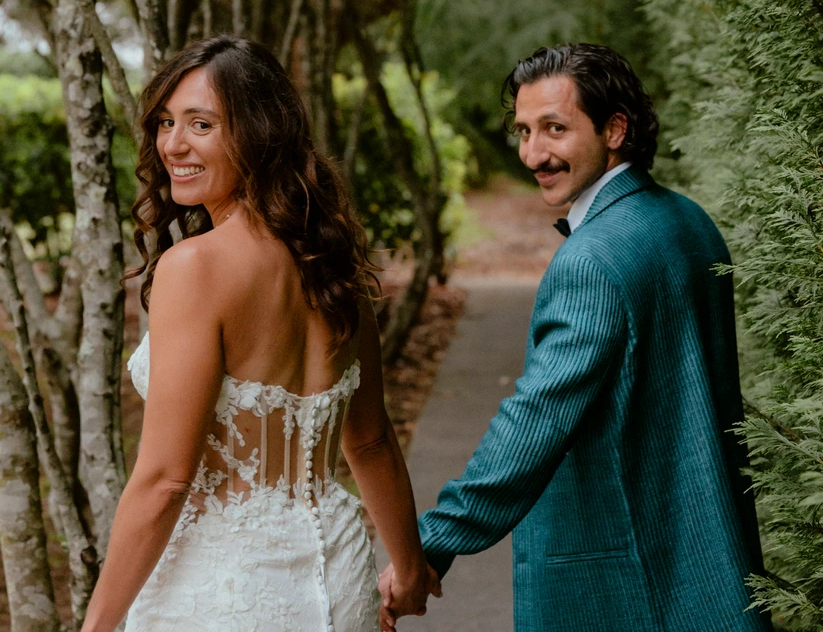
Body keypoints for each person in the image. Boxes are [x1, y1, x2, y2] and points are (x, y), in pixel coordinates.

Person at [380, 43, 770, 632]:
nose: (533, 153)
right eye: (523, 131)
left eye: (555, 129)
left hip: (625, 587)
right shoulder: (690, 222)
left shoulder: (591, 260)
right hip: (710, 568)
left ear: (614, 130)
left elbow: (536, 419)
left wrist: (432, 544)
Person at [80, 35, 437, 632]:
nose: (173, 144)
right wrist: (408, 570)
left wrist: (94, 627)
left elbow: (165, 481)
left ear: (259, 134)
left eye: (201, 124)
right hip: (339, 574)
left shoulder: (194, 268)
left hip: (226, 592)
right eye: (166, 122)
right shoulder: (332, 263)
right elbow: (371, 441)